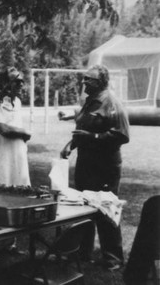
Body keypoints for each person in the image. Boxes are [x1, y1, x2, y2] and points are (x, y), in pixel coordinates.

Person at [60, 64, 130, 271]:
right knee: (83, 208)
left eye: (88, 79)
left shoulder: (111, 102)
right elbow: (82, 129)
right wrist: (70, 145)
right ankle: (83, 252)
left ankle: (113, 258)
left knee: (105, 207)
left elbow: (122, 135)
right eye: (84, 79)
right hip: (86, 164)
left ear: (100, 82)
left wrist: (94, 137)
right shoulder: (89, 102)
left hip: (105, 166)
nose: (84, 82)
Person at [0, 67, 31, 186]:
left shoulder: (17, 102)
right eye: (17, 81)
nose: (21, 84)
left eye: (22, 81)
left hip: (18, 160)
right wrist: (25, 132)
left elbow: (13, 129)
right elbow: (4, 130)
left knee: (20, 195)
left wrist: (21, 134)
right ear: (4, 83)